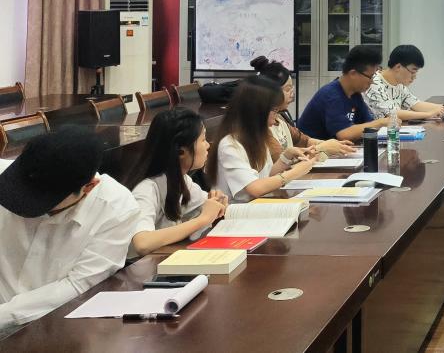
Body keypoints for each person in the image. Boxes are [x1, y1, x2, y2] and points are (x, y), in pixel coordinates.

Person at [0, 126, 140, 335]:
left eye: (41, 202)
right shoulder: (6, 175)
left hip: (52, 326)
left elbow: (78, 285)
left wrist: (4, 315)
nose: (22, 202)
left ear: (89, 186)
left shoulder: (116, 209)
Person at [122, 107, 229, 258]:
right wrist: (202, 219)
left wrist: (216, 202)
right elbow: (142, 243)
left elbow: (205, 204)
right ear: (180, 151)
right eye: (203, 140)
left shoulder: (182, 179)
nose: (208, 146)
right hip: (138, 268)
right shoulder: (146, 189)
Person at [207, 76, 317, 202]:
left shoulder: (257, 137)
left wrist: (286, 157)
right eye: (274, 110)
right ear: (257, 111)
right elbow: (255, 188)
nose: (277, 117)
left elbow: (266, 176)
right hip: (238, 210)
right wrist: (295, 172)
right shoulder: (230, 144)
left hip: (257, 205)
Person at [249, 55, 357, 160]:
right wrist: (322, 148)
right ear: (270, 92)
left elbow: (304, 140)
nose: (292, 94)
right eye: (287, 89)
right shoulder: (262, 125)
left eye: (292, 88)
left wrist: (332, 145)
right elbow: (281, 161)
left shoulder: (280, 118)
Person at [297, 45, 394, 142]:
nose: (372, 81)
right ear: (353, 74)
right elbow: (344, 134)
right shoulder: (331, 95)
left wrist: (379, 124)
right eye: (370, 76)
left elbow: (368, 124)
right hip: (311, 149)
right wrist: (381, 122)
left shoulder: (355, 94)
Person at [363, 45, 444, 121]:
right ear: (398, 67)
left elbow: (415, 104)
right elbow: (392, 114)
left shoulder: (399, 84)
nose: (414, 77)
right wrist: (428, 114)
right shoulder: (374, 83)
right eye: (413, 72)